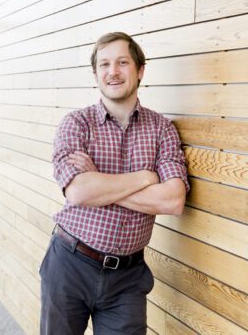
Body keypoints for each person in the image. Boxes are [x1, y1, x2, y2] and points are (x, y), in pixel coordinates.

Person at [39, 32, 190, 335]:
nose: (113, 71)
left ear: (140, 70)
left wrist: (101, 183)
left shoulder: (162, 130)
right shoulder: (76, 124)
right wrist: (146, 179)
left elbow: (172, 201)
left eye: (123, 62)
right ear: (95, 74)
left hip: (128, 279)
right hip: (70, 265)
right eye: (105, 64)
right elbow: (79, 192)